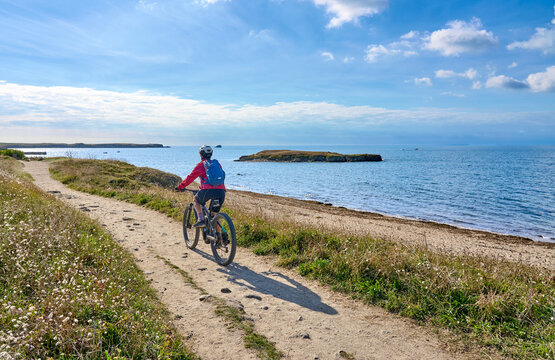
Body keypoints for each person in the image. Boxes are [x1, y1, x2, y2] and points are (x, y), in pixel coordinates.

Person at [176, 145, 226, 228]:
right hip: (221, 191)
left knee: (196, 201)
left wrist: (180, 187)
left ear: (201, 155)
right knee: (215, 215)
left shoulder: (200, 165)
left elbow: (190, 178)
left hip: (207, 191)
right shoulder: (217, 164)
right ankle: (220, 237)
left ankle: (201, 220)